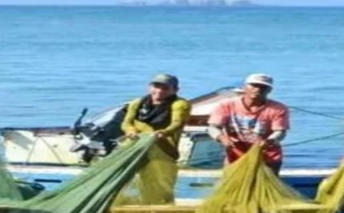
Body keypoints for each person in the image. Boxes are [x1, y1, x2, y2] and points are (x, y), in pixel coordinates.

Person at [120, 73, 191, 204]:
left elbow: (177, 123)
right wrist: (130, 130)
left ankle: (161, 210)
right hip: (136, 148)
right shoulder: (137, 103)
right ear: (149, 87)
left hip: (163, 150)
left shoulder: (180, 104)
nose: (159, 91)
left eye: (165, 88)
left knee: (160, 186)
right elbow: (126, 122)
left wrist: (164, 132)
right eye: (156, 86)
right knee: (129, 179)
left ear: (175, 90)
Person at [207, 73, 291, 173]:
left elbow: (280, 132)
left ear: (269, 90)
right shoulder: (226, 105)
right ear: (244, 87)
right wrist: (222, 138)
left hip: (267, 157)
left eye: (263, 87)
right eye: (254, 85)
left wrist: (270, 141)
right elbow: (213, 127)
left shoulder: (278, 108)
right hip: (236, 155)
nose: (257, 90)